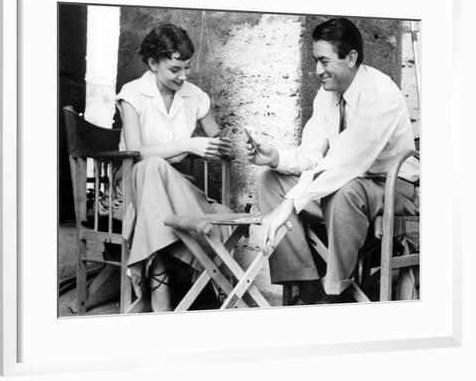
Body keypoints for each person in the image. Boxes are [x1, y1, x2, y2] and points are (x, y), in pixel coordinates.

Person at [246, 17, 419, 303]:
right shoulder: (326, 95)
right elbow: (312, 155)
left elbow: (346, 162)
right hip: (350, 180)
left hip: (392, 186)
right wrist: (275, 157)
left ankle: (336, 291)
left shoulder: (380, 93)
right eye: (315, 61)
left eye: (324, 61)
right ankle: (305, 281)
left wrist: (288, 205)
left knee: (343, 190)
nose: (317, 70)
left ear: (350, 58)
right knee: (271, 180)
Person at [116, 23, 233, 312]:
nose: (183, 76)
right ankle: (170, 285)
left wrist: (225, 146)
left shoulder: (195, 96)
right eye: (174, 69)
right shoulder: (132, 94)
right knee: (152, 166)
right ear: (153, 63)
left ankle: (159, 288)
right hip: (134, 180)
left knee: (160, 171)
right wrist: (188, 145)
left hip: (176, 183)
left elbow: (216, 138)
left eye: (187, 68)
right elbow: (136, 152)